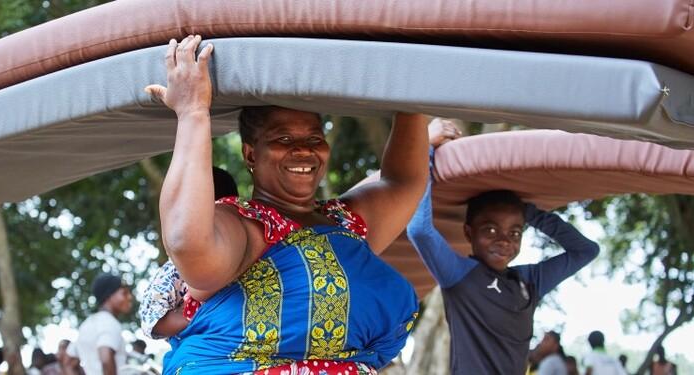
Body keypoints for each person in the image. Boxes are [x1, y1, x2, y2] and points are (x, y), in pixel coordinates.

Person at [145, 35, 430, 374]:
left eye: (314, 138)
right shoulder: (244, 225)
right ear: (251, 153)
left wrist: (414, 92)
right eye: (283, 139)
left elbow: (404, 181)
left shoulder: (346, 224)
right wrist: (192, 113)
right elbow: (187, 244)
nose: (303, 150)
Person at [405, 120, 600, 375]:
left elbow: (585, 251)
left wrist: (530, 213)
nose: (505, 241)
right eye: (491, 230)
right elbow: (419, 229)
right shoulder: (459, 274)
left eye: (515, 232)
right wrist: (425, 147)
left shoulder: (530, 282)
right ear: (468, 233)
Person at [139, 167, 238, 340]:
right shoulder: (178, 267)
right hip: (207, 350)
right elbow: (152, 318)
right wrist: (206, 319)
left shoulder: (254, 251)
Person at [68, 273, 133, 375]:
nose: (129, 297)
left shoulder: (88, 323)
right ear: (109, 295)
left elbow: (69, 362)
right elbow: (106, 359)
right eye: (124, 293)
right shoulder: (110, 323)